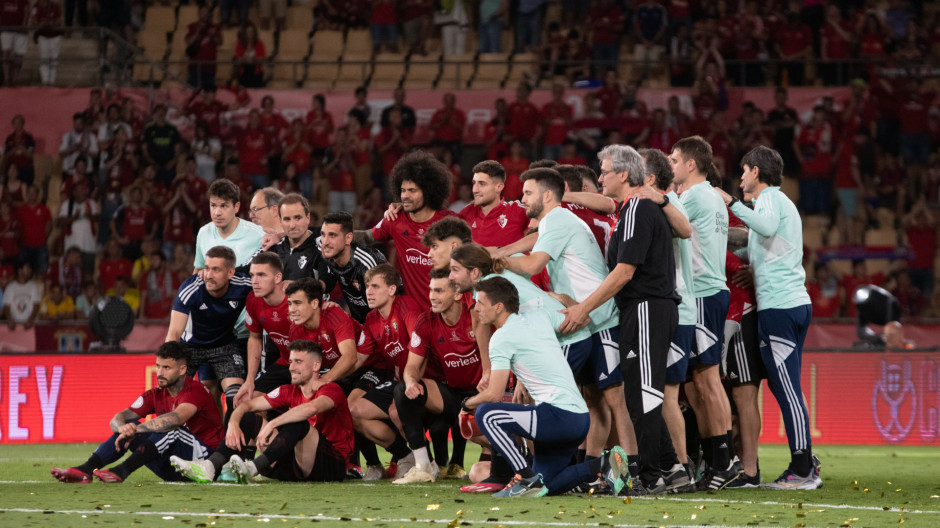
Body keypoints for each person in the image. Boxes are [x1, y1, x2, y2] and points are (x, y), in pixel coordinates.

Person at [502, 168, 637, 487]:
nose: (522, 199)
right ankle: (595, 472)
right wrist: (499, 254)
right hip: (584, 323)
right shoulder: (553, 222)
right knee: (592, 398)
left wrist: (495, 259)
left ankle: (630, 473)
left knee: (616, 398)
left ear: (548, 195)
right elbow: (533, 243)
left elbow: (533, 264)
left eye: (528, 193)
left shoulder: (559, 218)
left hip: (602, 317)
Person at [560, 144, 683, 494]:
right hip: (642, 309)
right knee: (639, 393)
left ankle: (650, 476)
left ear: (624, 175)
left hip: (646, 307)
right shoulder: (632, 207)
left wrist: (584, 307)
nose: (599, 177)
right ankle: (670, 468)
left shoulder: (638, 209)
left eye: (604, 171)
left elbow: (624, 271)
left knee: (643, 394)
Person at [462, 277, 629, 497]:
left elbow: (494, 394)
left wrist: (466, 404)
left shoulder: (501, 338)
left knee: (487, 413)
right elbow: (584, 318)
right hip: (578, 417)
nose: (477, 308)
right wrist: (562, 299)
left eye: (481, 303)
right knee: (547, 485)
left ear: (499, 307)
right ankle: (605, 464)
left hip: (558, 416)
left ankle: (525, 476)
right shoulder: (539, 317)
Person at [714, 145, 820, 489]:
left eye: (744, 171)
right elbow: (757, 244)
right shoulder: (776, 203)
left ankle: (803, 468)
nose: (741, 177)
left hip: (779, 308)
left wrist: (731, 204)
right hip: (791, 304)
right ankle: (806, 462)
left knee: (786, 389)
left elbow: (765, 224)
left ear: (756, 172)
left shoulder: (771, 199)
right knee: (783, 385)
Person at [171, 340, 353, 484]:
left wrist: (273, 423)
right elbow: (246, 406)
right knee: (248, 417)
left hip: (331, 466)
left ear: (315, 366)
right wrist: (234, 423)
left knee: (298, 422)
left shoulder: (331, 389)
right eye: (290, 361)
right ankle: (210, 466)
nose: (291, 367)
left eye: (298, 362)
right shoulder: (287, 390)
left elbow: (310, 409)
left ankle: (252, 467)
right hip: (296, 466)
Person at [668, 136, 738, 489]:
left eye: (675, 160)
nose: (671, 164)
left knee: (708, 380)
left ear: (691, 165)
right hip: (709, 292)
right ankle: (718, 459)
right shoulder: (710, 195)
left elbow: (668, 225)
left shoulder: (692, 197)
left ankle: (726, 462)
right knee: (699, 382)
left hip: (704, 294)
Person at [51, 342, 223, 483]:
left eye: (166, 368)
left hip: (204, 463)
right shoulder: (155, 394)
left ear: (182, 370)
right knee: (129, 426)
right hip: (173, 468)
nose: (160, 373)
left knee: (169, 429)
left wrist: (137, 429)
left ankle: (122, 470)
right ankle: (86, 470)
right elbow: (118, 418)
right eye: (158, 366)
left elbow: (176, 418)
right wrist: (122, 428)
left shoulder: (196, 390)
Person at [635, 147, 697, 492]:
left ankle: (680, 467)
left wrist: (659, 199)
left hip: (676, 307)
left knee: (665, 394)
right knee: (658, 392)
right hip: (669, 306)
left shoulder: (670, 203)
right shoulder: (648, 202)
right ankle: (674, 465)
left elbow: (685, 230)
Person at [392, 268, 482, 484]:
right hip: (452, 396)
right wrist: (411, 381)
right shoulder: (426, 321)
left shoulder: (477, 315)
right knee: (403, 390)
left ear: (458, 293)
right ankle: (423, 466)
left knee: (485, 470)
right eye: (431, 290)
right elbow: (412, 366)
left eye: (439, 291)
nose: (432, 296)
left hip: (483, 396)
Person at [349, 264, 424, 479]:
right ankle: (404, 456)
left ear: (392, 289)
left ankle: (426, 462)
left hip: (423, 378)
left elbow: (420, 348)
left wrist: (411, 381)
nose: (368, 292)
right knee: (353, 410)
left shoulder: (407, 307)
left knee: (396, 410)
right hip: (399, 380)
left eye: (375, 286)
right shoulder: (372, 319)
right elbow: (358, 359)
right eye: (366, 286)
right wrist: (326, 377)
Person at [165, 245, 253, 427]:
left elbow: (267, 288)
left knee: (236, 397)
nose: (208, 275)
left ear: (230, 273)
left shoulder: (244, 285)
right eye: (206, 268)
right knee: (181, 399)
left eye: (215, 269)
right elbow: (174, 333)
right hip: (191, 347)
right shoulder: (191, 289)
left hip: (224, 345)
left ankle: (227, 446)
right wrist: (169, 364)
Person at [360, 151, 455, 310]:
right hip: (413, 315)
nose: (405, 196)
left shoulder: (449, 222)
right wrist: (334, 232)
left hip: (447, 311)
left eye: (412, 190)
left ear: (428, 191)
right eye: (403, 190)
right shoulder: (395, 219)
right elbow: (366, 236)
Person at [236, 252, 292, 405]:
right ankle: (272, 429)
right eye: (252, 275)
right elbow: (255, 338)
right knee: (247, 400)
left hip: (311, 365)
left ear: (278, 277)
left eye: (261, 275)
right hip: (285, 362)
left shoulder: (296, 299)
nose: (255, 281)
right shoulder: (253, 300)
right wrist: (249, 381)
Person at [286, 278, 359, 391]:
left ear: (315, 303)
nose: (292, 309)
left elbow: (350, 357)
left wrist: (324, 379)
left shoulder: (334, 314)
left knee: (352, 407)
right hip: (330, 371)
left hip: (362, 369)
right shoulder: (295, 329)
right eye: (290, 304)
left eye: (298, 303)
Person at [319, 210, 387, 324]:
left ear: (348, 238)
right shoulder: (329, 255)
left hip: (384, 326)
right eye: (323, 234)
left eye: (332, 235)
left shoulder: (366, 263)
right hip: (360, 325)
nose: (325, 242)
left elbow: (388, 306)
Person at [195, 178, 265, 272]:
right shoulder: (203, 233)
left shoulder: (258, 235)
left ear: (236, 207)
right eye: (213, 205)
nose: (217, 212)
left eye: (223, 206)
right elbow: (198, 269)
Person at [457, 160, 530, 248]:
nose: (475, 190)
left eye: (482, 184)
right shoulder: (466, 212)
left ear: (498, 187)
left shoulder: (518, 210)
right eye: (474, 183)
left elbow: (541, 234)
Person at [272, 193, 326, 284]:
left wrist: (296, 287)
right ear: (280, 222)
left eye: (297, 218)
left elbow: (327, 284)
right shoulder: (274, 248)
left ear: (308, 218)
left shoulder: (321, 246)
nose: (292, 225)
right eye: (287, 219)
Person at [16, 185, 52, 275]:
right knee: (24, 273)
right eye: (30, 192)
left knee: (42, 272)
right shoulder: (21, 210)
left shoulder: (44, 209)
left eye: (34, 192)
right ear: (27, 194)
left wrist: (43, 237)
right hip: (24, 246)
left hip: (40, 246)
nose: (32, 194)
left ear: (37, 194)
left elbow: (49, 225)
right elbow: (17, 227)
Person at [185, 5, 223, 89]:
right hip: (194, 68)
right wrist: (197, 32)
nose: (204, 14)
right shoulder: (192, 26)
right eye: (202, 12)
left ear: (209, 14)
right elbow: (188, 42)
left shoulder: (215, 27)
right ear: (198, 13)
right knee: (192, 93)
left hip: (210, 68)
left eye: (206, 12)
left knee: (208, 94)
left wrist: (213, 35)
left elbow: (220, 42)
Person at [138, 250, 178, 321]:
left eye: (155, 259)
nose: (153, 262)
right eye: (152, 260)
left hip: (167, 319)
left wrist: (170, 316)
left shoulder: (172, 276)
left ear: (163, 262)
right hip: (149, 318)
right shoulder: (146, 276)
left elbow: (175, 297)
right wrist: (142, 316)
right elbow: (143, 297)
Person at [31, 0, 64, 86]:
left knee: (54, 59)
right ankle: (45, 81)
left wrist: (51, 23)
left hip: (55, 36)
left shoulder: (55, 6)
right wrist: (40, 24)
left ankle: (52, 81)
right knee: (44, 59)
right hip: (43, 35)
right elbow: (33, 21)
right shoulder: (36, 6)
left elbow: (59, 20)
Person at [3, 261, 40, 329]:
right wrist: (9, 319)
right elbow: (6, 306)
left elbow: (36, 305)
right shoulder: (10, 287)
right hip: (15, 324)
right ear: (20, 271)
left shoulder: (33, 286)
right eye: (27, 269)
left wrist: (31, 319)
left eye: (30, 269)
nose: (29, 271)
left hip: (30, 324)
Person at [0, 0, 29, 85]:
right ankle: (7, 78)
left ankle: (16, 78)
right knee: (6, 53)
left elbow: (26, 11)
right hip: (6, 29)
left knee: (19, 54)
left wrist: (24, 25)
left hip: (19, 31)